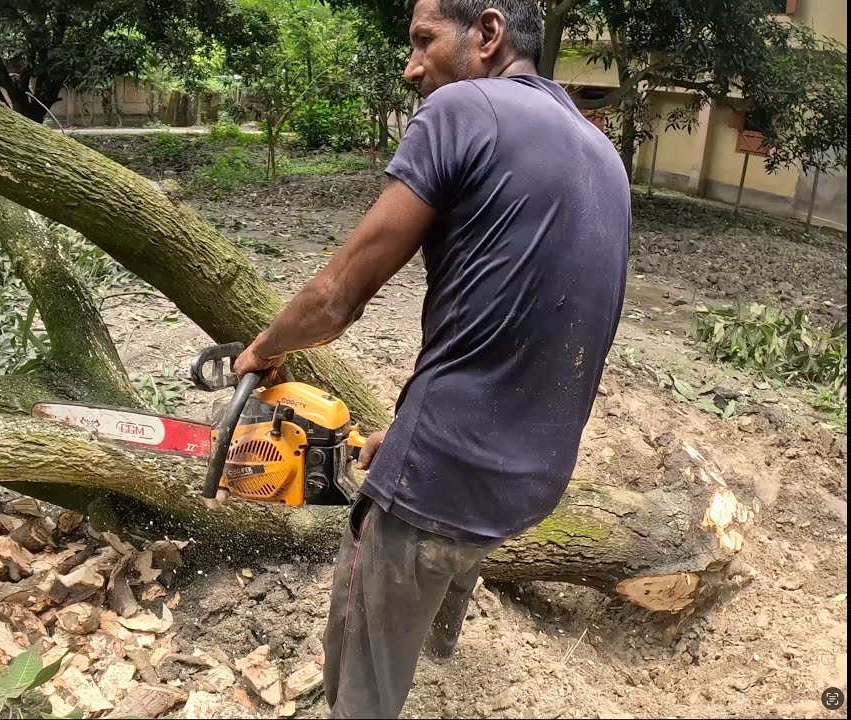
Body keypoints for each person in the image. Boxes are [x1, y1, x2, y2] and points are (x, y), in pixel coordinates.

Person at [221, 0, 631, 717]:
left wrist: (261, 351)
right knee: (445, 550)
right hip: (533, 480)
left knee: (360, 673)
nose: (411, 68)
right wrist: (406, 424)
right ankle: (436, 642)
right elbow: (510, 319)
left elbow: (336, 298)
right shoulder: (601, 154)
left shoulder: (464, 108)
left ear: (490, 34)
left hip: (447, 477)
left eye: (423, 41)